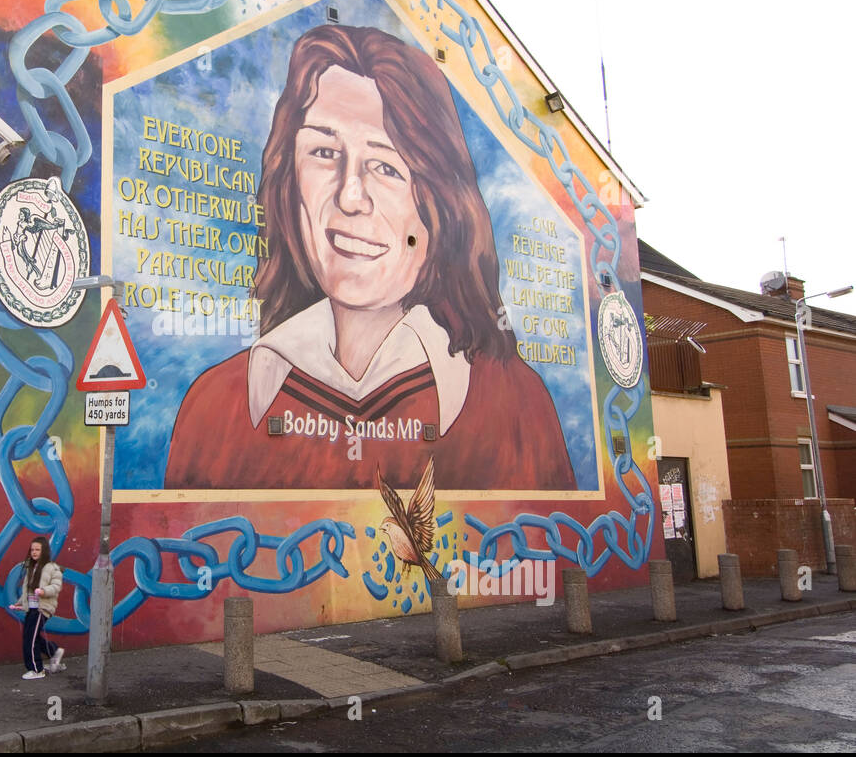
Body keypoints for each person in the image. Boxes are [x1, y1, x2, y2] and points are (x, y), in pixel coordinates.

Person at [164, 24, 575, 492]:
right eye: (323, 151)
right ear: (289, 181)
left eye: (386, 166)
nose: (350, 196)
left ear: (439, 204)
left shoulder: (512, 405)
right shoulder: (219, 406)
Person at [9, 537, 64, 680]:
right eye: (32, 549)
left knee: (30, 639)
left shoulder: (52, 568)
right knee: (32, 636)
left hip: (42, 609)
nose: (34, 552)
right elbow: (27, 590)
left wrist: (44, 591)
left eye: (37, 549)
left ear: (44, 551)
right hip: (31, 608)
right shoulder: (30, 568)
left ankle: (36, 669)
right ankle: (54, 651)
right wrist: (19, 604)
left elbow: (56, 586)